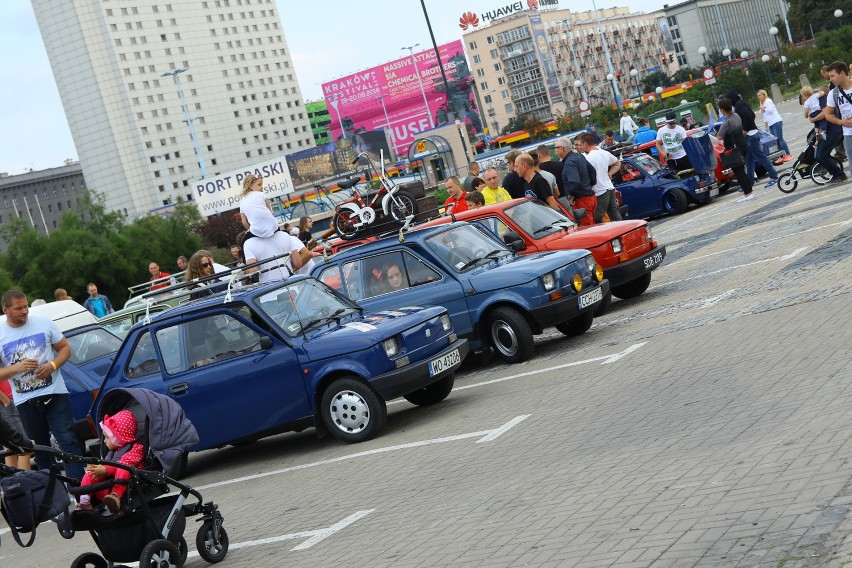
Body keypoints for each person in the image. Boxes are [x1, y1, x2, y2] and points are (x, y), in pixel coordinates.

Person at [0, 290, 84, 481]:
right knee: (39, 450)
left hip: (55, 393)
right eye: (18, 308)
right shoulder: (1, 334)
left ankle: (82, 495)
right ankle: (54, 500)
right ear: (6, 310)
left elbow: (65, 348)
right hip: (25, 400)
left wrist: (52, 365)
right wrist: (17, 368)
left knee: (68, 442)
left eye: (26, 306)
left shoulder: (44, 323)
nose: (24, 311)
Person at [78, 410, 144, 513]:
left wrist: (105, 469)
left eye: (107, 438)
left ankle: (115, 497)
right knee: (89, 474)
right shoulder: (113, 452)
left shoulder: (136, 448)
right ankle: (85, 502)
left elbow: (122, 464)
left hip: (126, 487)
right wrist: (97, 469)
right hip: (106, 488)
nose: (104, 441)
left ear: (120, 437)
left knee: (124, 468)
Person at [726, 90, 779, 187]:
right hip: (753, 132)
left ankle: (774, 176)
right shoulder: (742, 102)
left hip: (750, 134)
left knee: (761, 157)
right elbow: (752, 114)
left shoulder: (738, 105)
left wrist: (745, 128)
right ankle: (749, 183)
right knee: (749, 160)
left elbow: (748, 115)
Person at [575, 132, 622, 223]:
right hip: (610, 188)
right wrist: (609, 173)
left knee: (596, 217)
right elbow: (617, 163)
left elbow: (586, 175)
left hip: (600, 191)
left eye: (580, 145)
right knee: (615, 216)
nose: (579, 148)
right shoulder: (604, 152)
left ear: (585, 144)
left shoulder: (588, 158)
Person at [717, 98, 755, 202]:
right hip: (742, 145)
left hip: (733, 149)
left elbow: (719, 137)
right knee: (742, 170)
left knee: (739, 173)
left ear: (722, 110)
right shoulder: (737, 116)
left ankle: (747, 193)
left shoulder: (727, 122)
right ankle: (750, 191)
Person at [554, 137, 596, 226]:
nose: (555, 151)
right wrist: (589, 185)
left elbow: (575, 182)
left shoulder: (569, 162)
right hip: (590, 197)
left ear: (562, 148)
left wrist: (571, 196)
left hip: (581, 200)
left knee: (588, 229)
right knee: (594, 225)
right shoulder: (579, 156)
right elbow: (592, 171)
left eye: (556, 148)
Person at [809, 83, 847, 183]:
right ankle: (835, 169)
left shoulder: (824, 99)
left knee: (821, 155)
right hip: (831, 132)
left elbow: (824, 114)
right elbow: (817, 122)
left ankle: (839, 174)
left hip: (833, 131)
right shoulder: (820, 102)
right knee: (821, 154)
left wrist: (813, 118)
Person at [824, 61, 852, 179]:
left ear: (841, 73)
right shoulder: (833, 93)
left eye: (832, 76)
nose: (830, 79)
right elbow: (828, 114)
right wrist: (842, 122)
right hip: (848, 135)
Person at [0, 378, 32, 470]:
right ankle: (24, 482)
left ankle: (13, 482)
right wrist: (5, 400)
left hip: (9, 399)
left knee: (11, 448)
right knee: (24, 447)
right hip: (6, 401)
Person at [239, 174, 279, 239]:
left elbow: (244, 223)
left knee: (244, 242)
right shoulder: (261, 194)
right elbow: (270, 210)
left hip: (257, 231)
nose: (262, 187)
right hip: (273, 226)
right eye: (259, 185)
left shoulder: (241, 202)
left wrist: (252, 230)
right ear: (250, 186)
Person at [757, 90, 792, 163]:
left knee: (780, 139)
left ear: (764, 95)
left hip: (776, 122)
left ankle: (788, 154)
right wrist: (766, 127)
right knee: (775, 141)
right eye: (758, 96)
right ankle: (781, 156)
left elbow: (770, 110)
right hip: (770, 124)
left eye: (760, 95)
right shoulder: (762, 103)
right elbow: (765, 116)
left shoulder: (768, 101)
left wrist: (762, 108)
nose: (758, 97)